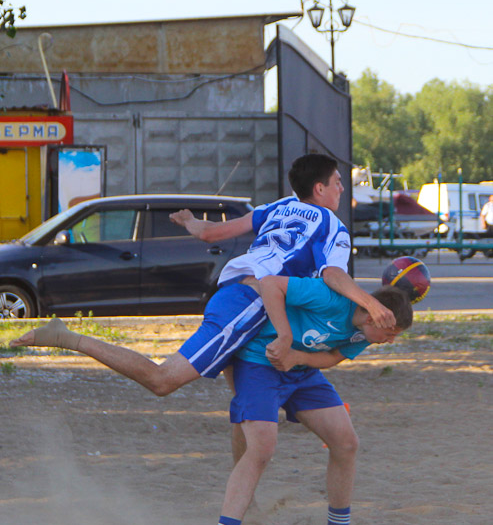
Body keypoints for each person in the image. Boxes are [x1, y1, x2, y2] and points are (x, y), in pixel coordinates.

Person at [10, 154, 395, 396]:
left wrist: (191, 222)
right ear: (320, 188)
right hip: (250, 303)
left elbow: (213, 233)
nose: (342, 187)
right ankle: (68, 337)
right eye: (338, 181)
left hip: (232, 290)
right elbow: (332, 274)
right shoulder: (332, 225)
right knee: (163, 380)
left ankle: (248, 496)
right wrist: (371, 303)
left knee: (247, 407)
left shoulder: (278, 207)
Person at [206, 276, 413, 525]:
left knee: (346, 443)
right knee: (262, 447)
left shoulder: (364, 333)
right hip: (258, 363)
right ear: (371, 315)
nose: (390, 340)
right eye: (390, 333)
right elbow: (270, 284)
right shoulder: (329, 298)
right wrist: (284, 337)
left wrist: (297, 358)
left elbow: (332, 357)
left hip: (302, 372)